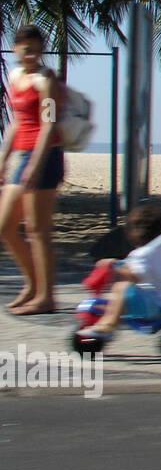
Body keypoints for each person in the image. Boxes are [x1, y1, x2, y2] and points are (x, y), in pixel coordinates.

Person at [0, 25, 65, 314]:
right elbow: (17, 121)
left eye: (37, 48)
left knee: (38, 231)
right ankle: (31, 284)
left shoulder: (45, 79)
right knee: (5, 227)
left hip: (46, 156)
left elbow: (48, 123)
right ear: (16, 48)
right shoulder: (14, 77)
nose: (32, 54)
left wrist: (36, 164)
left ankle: (46, 296)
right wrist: (4, 158)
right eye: (26, 48)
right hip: (23, 155)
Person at [77, 205, 161, 340]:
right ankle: (109, 318)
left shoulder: (142, 254)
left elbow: (135, 276)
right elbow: (145, 270)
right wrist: (119, 263)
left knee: (121, 287)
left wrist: (113, 267)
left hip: (156, 304)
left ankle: (109, 324)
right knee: (124, 290)